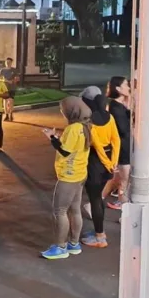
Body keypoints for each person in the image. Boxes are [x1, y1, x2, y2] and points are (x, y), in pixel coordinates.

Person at [40, 97, 92, 259]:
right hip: (80, 173)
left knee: (60, 211)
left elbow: (64, 151)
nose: (62, 113)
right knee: (74, 209)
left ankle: (60, 247)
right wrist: (56, 138)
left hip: (69, 176)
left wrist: (52, 138)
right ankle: (74, 244)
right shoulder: (86, 126)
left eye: (63, 111)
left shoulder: (73, 129)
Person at [79, 86, 120, 248]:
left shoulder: (88, 120)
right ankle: (99, 231)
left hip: (95, 163)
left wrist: (106, 163)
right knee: (99, 197)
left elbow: (96, 145)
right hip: (108, 163)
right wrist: (113, 162)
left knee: (95, 198)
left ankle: (99, 237)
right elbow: (116, 140)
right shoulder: (109, 117)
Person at [103, 76, 131, 210]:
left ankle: (95, 202)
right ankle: (123, 204)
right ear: (118, 89)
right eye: (126, 85)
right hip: (122, 147)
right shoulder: (116, 107)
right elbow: (124, 129)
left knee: (118, 179)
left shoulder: (119, 105)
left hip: (122, 146)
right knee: (123, 179)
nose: (129, 88)